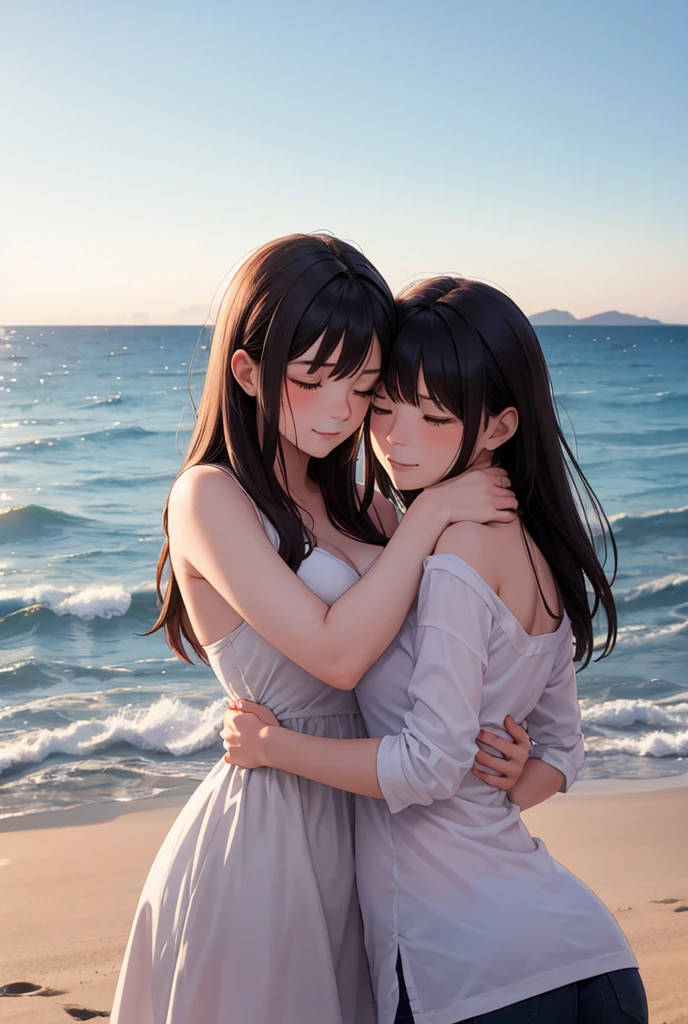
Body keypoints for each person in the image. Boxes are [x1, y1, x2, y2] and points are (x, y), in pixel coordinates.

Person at [110, 239, 525, 1024]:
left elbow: (445, 648)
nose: (341, 409)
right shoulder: (209, 497)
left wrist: (513, 749)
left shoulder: (365, 507)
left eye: (364, 385)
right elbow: (336, 653)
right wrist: (433, 512)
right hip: (270, 832)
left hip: (378, 827)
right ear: (246, 373)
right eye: (311, 380)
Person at [221, 277, 648, 1024]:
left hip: (472, 973)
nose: (394, 437)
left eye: (433, 415)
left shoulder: (452, 552)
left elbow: (431, 763)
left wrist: (275, 747)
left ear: (498, 426)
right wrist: (519, 779)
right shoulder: (536, 549)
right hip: (587, 957)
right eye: (381, 406)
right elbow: (562, 752)